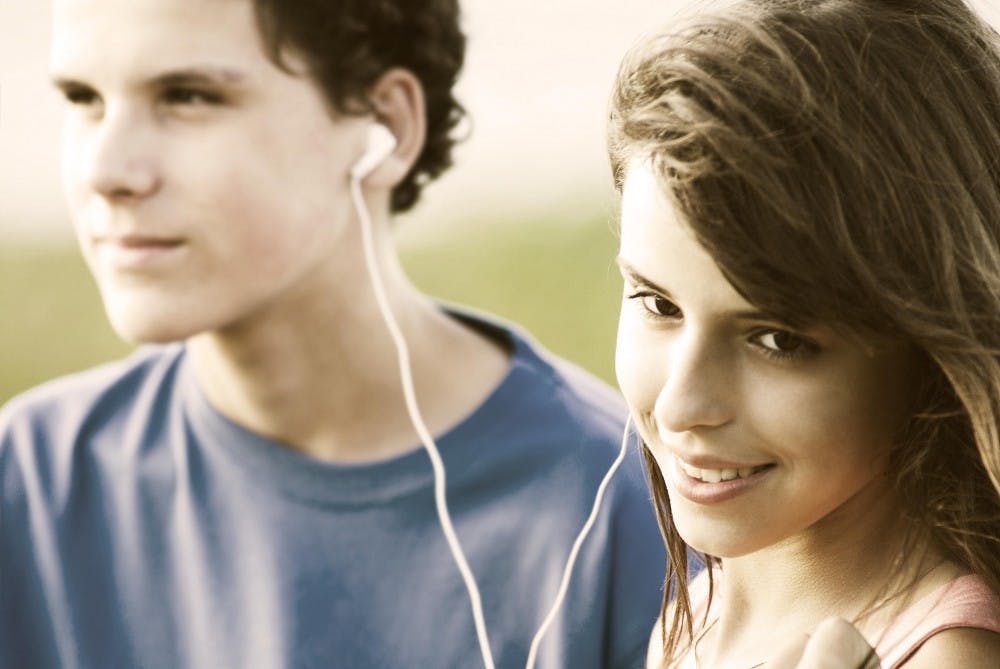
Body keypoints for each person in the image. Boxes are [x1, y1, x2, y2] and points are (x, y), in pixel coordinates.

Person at [0, 0, 667, 667]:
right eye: (84, 98)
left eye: (188, 96)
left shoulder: (622, 517)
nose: (107, 171)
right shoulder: (30, 482)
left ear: (385, 126)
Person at [606, 0, 1000, 667]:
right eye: (656, 302)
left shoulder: (949, 654)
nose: (679, 404)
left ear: (929, 344)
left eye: (778, 340)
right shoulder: (700, 610)